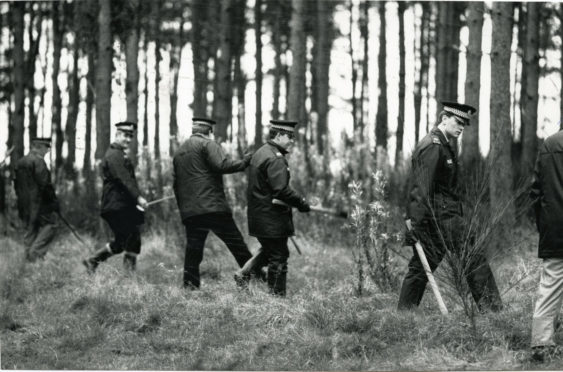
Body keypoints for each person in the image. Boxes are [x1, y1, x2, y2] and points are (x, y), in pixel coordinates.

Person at [397, 102, 502, 312]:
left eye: (464, 124)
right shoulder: (433, 146)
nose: (461, 127)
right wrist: (415, 225)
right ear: (444, 118)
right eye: (458, 121)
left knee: (421, 267)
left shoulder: (441, 144)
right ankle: (492, 311)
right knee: (473, 257)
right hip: (443, 217)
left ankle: (404, 314)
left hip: (439, 216)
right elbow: (421, 188)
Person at [173, 117, 255, 289]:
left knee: (193, 251)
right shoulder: (208, 144)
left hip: (191, 212)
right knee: (237, 245)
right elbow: (222, 165)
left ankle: (190, 288)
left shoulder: (179, 152)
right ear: (209, 132)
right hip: (213, 208)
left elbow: (176, 185)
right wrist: (245, 162)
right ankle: (256, 279)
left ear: (194, 130)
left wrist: (185, 209)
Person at [246, 120, 310, 296]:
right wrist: (302, 202)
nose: (292, 141)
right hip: (270, 217)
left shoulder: (261, 152)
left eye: (293, 137)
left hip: (259, 215)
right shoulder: (275, 158)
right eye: (289, 136)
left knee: (270, 251)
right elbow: (281, 190)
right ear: (279, 135)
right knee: (279, 257)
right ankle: (276, 300)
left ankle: (243, 274)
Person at [83, 122, 148, 273]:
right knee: (131, 238)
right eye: (125, 135)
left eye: (131, 136)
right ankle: (128, 279)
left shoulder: (118, 154)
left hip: (122, 206)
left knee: (124, 240)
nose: (128, 139)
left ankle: (92, 261)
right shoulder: (114, 155)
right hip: (116, 206)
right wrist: (138, 198)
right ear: (117, 135)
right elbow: (123, 178)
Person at [529, 129, 563, 362]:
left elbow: (535, 191)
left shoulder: (549, 143)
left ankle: (541, 343)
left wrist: (544, 224)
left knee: (550, 283)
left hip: (555, 226)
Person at [14, 137, 59, 262]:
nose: (47, 151)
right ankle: (36, 253)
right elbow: (44, 185)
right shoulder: (39, 162)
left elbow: (16, 185)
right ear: (38, 147)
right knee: (52, 224)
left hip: (24, 204)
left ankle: (28, 262)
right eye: (46, 148)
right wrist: (54, 202)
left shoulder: (20, 162)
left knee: (30, 229)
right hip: (40, 204)